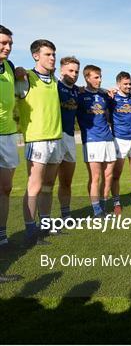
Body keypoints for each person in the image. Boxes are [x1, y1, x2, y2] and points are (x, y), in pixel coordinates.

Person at [16, 39, 63, 246]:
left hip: (56, 139)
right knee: (34, 186)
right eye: (47, 54)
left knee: (49, 185)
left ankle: (45, 225)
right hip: (37, 140)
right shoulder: (25, 77)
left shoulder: (53, 79)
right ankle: (30, 230)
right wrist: (17, 70)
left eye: (53, 54)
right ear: (36, 56)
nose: (52, 58)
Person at [77, 65, 116, 216]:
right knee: (95, 177)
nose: (99, 80)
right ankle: (96, 210)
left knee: (108, 176)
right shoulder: (79, 95)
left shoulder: (104, 95)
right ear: (87, 78)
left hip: (108, 138)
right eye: (96, 77)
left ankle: (103, 206)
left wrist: (108, 90)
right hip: (92, 141)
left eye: (100, 77)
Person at [110, 71, 131, 214]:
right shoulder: (111, 97)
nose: (128, 86)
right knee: (116, 173)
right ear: (118, 84)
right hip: (119, 140)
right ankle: (116, 202)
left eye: (130, 83)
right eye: (125, 84)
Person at [0, 25, 18, 249]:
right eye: (3, 43)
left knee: (5, 188)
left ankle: (2, 236)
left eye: (10, 43)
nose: (7, 47)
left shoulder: (10, 67)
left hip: (8, 135)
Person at [56, 56, 80, 222]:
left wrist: (108, 90)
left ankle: (66, 214)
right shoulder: (54, 86)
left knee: (66, 181)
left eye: (76, 71)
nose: (74, 74)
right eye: (70, 70)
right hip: (54, 137)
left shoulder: (77, 90)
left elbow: (92, 90)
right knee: (46, 183)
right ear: (61, 71)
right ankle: (42, 219)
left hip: (70, 138)